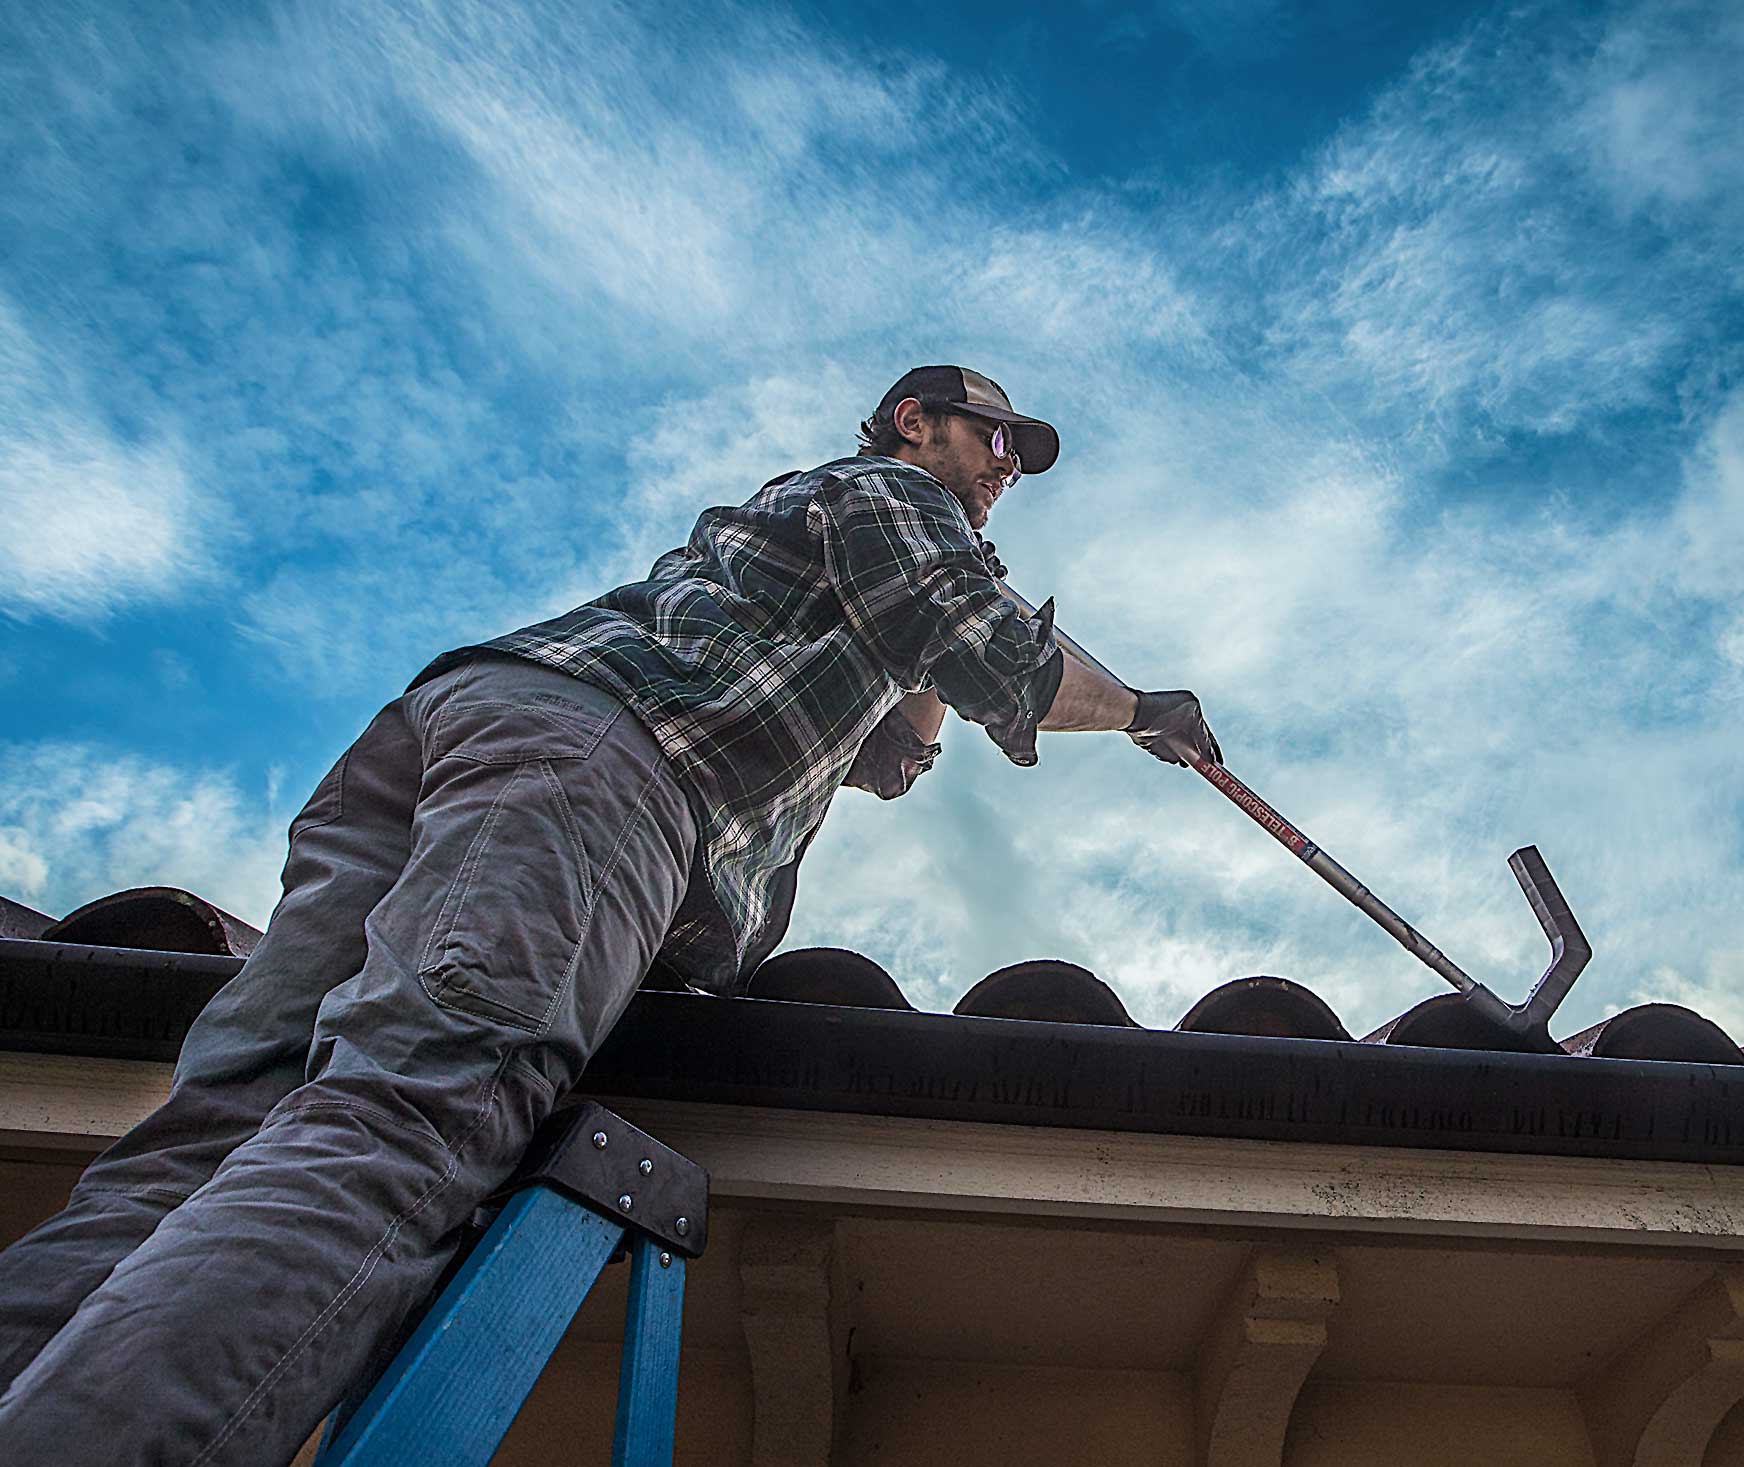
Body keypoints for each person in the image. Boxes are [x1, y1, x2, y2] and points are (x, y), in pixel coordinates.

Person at [0, 365, 1221, 1464]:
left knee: (208, 1143)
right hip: (605, 768)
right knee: (404, 1123)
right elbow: (988, 656)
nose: (1005, 470)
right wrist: (1139, 708)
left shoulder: (833, 541)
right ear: (917, 422)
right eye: (993, 440)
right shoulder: (891, 493)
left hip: (471, 735)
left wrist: (979, 632)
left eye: (1018, 459)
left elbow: (902, 750)